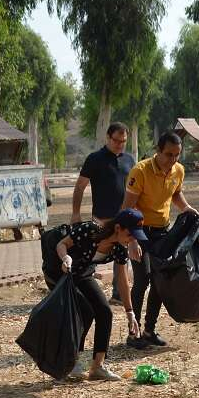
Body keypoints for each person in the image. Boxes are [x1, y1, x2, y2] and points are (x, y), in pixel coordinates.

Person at [122, 131, 199, 349]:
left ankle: (149, 330)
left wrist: (186, 208)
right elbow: (127, 208)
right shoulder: (140, 171)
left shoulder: (178, 170)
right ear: (158, 151)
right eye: (168, 154)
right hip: (139, 231)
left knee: (160, 282)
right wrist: (132, 241)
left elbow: (176, 193)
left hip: (162, 232)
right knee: (142, 280)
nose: (172, 160)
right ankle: (133, 333)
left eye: (177, 155)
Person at [54, 209, 147, 381]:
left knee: (105, 311)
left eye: (135, 237)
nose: (132, 240)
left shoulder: (119, 249)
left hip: (82, 275)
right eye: (130, 235)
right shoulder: (89, 230)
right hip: (62, 272)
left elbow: (122, 279)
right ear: (118, 228)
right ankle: (72, 362)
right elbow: (61, 244)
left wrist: (130, 312)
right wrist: (65, 258)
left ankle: (98, 367)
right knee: (86, 311)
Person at [71, 122, 136, 306]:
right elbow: (80, 186)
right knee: (90, 255)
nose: (120, 144)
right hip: (100, 220)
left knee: (121, 258)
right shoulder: (95, 159)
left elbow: (135, 190)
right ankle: (79, 290)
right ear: (108, 137)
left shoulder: (130, 160)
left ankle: (117, 295)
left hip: (122, 221)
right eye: (117, 140)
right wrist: (76, 213)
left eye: (123, 141)